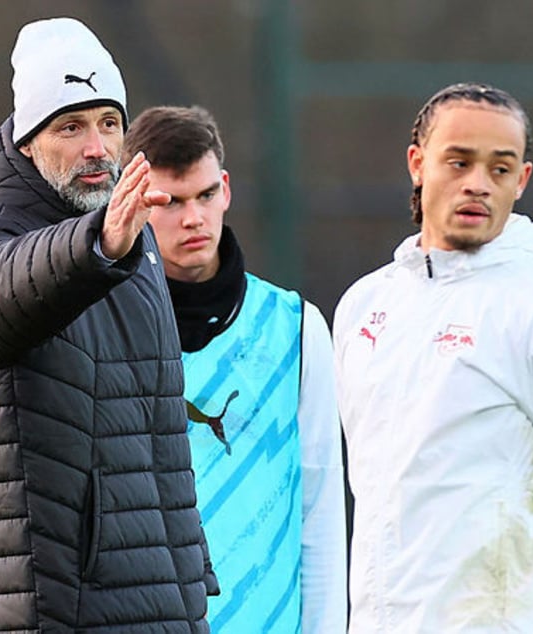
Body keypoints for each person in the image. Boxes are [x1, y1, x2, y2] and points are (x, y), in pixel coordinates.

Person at [0, 18, 217, 633]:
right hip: (66, 606)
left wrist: (191, 567)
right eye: (71, 126)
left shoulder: (123, 231)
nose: (97, 147)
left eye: (109, 123)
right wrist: (100, 242)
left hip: (163, 594)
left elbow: (156, 434)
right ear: (29, 140)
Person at [332, 82, 533, 633]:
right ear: (417, 164)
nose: (478, 184)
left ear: (522, 180)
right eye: (459, 161)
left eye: (499, 168)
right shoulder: (364, 305)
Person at [121, 105, 348, 633]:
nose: (193, 217)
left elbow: (320, 508)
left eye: (204, 195)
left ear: (225, 188)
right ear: (133, 201)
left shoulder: (296, 328)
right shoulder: (100, 327)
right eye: (170, 202)